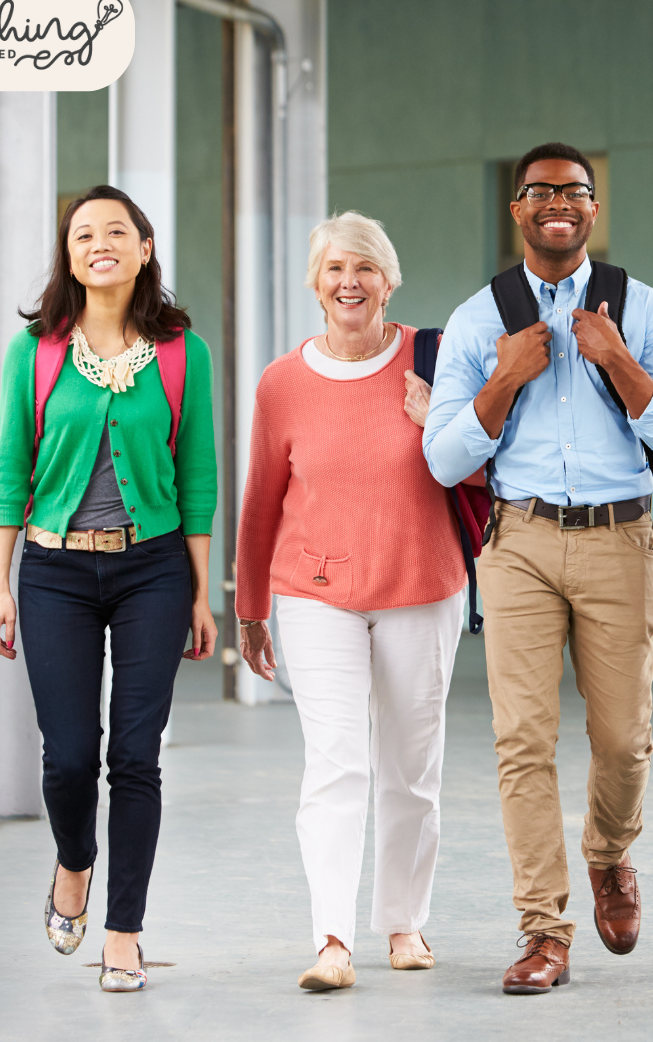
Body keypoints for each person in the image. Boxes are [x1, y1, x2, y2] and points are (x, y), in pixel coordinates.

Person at [423, 142, 653, 994]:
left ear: (591, 207)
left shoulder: (641, 307)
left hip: (621, 538)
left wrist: (618, 360)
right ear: (517, 210)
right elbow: (441, 457)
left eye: (574, 191)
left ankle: (609, 855)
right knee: (522, 742)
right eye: (540, 191)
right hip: (522, 542)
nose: (558, 202)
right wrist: (502, 383)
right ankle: (544, 930)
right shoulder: (481, 319)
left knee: (623, 740)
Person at [0, 185, 218, 993]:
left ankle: (123, 932)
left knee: (135, 756)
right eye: (84, 233)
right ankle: (73, 863)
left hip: (152, 567)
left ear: (144, 248)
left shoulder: (183, 352)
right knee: (70, 757)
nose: (100, 242)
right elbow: (12, 470)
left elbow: (198, 475)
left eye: (117, 230)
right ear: (69, 254)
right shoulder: (37, 351)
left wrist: (197, 590)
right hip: (52, 573)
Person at [234, 211, 468, 992]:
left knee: (411, 766)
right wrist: (250, 606)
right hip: (315, 593)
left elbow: (488, 477)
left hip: (421, 584)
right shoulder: (283, 383)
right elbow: (262, 500)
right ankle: (332, 938)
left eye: (365, 268)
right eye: (335, 269)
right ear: (315, 284)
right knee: (336, 763)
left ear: (389, 280)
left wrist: (439, 420)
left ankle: (404, 922)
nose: (349, 283)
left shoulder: (436, 364)